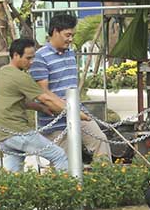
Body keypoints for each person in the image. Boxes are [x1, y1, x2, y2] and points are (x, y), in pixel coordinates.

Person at [0, 38, 86, 172]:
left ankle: (3, 193)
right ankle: (71, 189)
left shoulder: (2, 72)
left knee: (12, 177)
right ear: (15, 55)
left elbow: (18, 101)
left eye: (33, 58)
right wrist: (76, 114)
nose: (31, 62)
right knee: (59, 155)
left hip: (3, 135)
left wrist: (40, 108)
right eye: (28, 58)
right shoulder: (21, 77)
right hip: (18, 132)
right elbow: (46, 98)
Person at [29, 13, 111, 160]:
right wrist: (69, 110)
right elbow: (44, 94)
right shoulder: (40, 57)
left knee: (100, 141)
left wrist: (77, 112)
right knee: (64, 161)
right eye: (67, 35)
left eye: (72, 35)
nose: (71, 39)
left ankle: (105, 178)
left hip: (79, 113)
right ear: (55, 32)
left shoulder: (70, 53)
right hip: (55, 120)